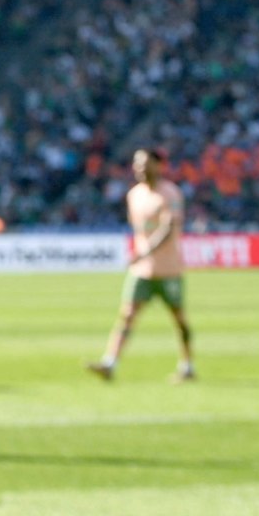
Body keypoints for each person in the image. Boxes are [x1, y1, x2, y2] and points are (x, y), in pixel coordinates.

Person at [88, 148, 196, 383]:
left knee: (178, 319)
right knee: (127, 315)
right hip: (142, 270)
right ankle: (110, 363)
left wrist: (145, 251)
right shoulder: (134, 195)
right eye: (137, 165)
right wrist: (140, 254)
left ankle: (187, 365)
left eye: (145, 164)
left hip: (169, 269)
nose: (139, 169)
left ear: (159, 166)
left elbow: (168, 229)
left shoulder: (170, 193)